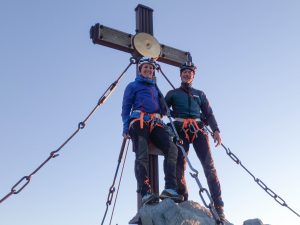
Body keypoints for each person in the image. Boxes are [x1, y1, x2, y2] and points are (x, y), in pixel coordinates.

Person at [165, 61, 225, 220]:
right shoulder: (172, 93)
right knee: (180, 165)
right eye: (184, 72)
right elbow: (162, 108)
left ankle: (218, 205)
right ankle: (182, 197)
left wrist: (216, 130)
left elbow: (209, 113)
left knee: (209, 166)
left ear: (193, 75)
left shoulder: (200, 94)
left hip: (199, 130)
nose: (186, 74)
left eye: (189, 72)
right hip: (180, 129)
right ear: (180, 75)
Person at [121, 57, 182, 205]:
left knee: (172, 149)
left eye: (151, 68)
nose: (149, 70)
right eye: (146, 67)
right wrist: (125, 127)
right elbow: (126, 107)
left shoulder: (155, 89)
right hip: (138, 121)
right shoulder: (132, 86)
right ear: (140, 69)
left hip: (156, 122)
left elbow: (163, 109)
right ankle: (145, 191)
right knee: (142, 154)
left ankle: (170, 188)